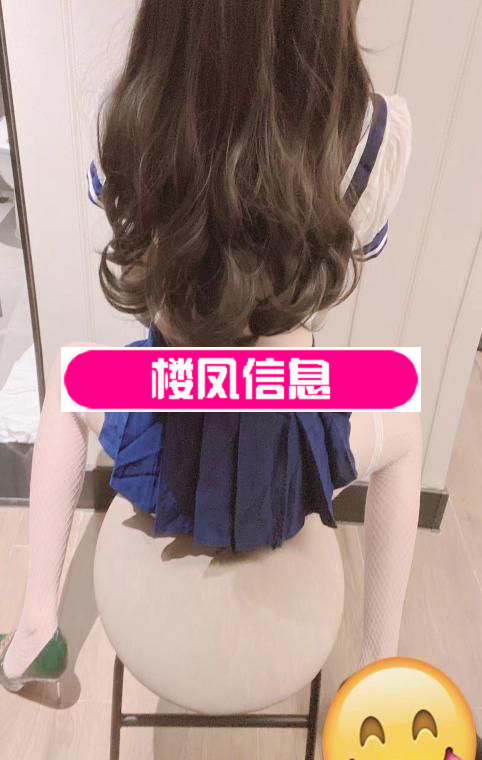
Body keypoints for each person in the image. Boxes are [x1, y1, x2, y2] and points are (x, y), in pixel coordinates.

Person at [1, 0, 422, 694]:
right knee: (402, 405)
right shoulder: (371, 133)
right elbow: (354, 258)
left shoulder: (138, 113)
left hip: (172, 422)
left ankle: (36, 629)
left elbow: (140, 264)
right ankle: (381, 663)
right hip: (283, 438)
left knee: (69, 376)